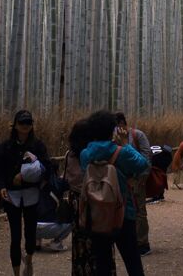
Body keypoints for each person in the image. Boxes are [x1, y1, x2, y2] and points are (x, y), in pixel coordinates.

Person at [81, 110, 149, 276]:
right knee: (132, 260)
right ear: (112, 130)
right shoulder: (122, 152)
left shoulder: (85, 154)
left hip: (97, 213)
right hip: (123, 212)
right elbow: (142, 164)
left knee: (102, 263)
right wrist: (125, 143)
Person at [0, 109, 49, 276]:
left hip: (31, 193)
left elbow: (47, 167)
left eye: (28, 123)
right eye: (22, 123)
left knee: (30, 233)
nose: (25, 126)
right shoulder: (6, 146)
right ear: (15, 125)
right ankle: (17, 273)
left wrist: (25, 176)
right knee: (15, 236)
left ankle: (29, 259)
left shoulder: (38, 145)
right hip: (12, 195)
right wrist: (2, 186)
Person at [65, 118, 114, 276]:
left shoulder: (69, 155)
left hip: (75, 201)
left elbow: (66, 178)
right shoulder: (93, 155)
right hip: (93, 200)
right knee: (99, 238)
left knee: (79, 242)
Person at [114, 112, 152, 256]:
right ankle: (130, 242)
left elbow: (146, 156)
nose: (116, 130)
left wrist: (141, 179)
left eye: (117, 126)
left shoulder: (138, 135)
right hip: (121, 181)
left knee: (139, 211)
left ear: (123, 124)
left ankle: (143, 243)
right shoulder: (114, 139)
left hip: (137, 180)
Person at [35, 173, 71, 251]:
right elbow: (69, 184)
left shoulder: (31, 184)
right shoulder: (57, 183)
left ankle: (36, 242)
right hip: (51, 228)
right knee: (72, 220)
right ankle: (56, 243)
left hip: (32, 227)